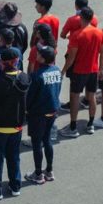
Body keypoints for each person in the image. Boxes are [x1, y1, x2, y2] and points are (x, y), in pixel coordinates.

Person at [0, 47, 29, 201]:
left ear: (3, 63)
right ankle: (15, 186)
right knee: (14, 156)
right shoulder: (25, 78)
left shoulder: (0, 82)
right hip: (17, 127)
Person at [60, 5, 103, 135]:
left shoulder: (77, 35)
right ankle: (90, 124)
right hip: (93, 70)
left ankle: (73, 128)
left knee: (75, 98)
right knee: (91, 97)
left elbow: (71, 58)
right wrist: (101, 69)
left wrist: (62, 71)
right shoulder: (99, 32)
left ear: (81, 18)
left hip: (79, 72)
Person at [25, 44, 61, 185]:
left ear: (43, 58)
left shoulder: (37, 76)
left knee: (36, 143)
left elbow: (30, 97)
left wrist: (26, 110)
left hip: (38, 113)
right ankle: (49, 171)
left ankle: (38, 174)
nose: (37, 54)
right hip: (52, 110)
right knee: (47, 140)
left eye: (39, 54)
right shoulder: (57, 71)